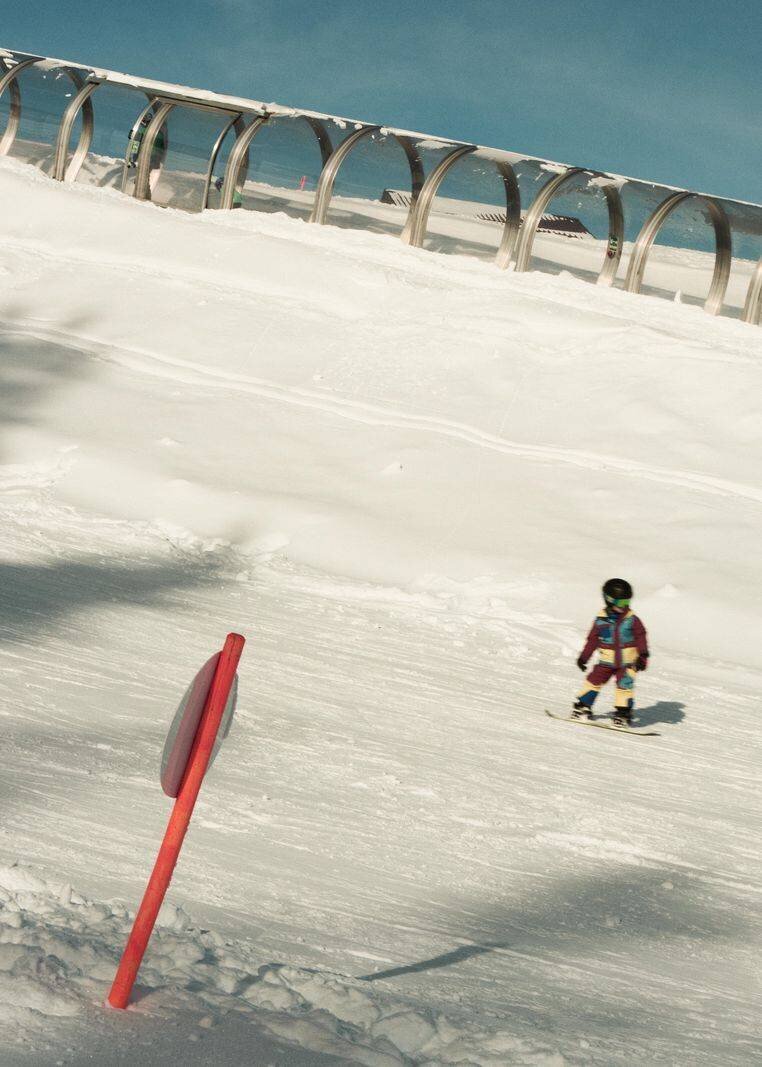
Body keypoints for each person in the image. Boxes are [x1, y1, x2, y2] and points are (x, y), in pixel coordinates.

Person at [573, 578, 649, 726]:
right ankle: (583, 707)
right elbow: (592, 640)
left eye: (627, 601)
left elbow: (641, 637)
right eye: (621, 603)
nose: (625, 605)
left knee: (624, 687)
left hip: (627, 664)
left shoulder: (632, 620)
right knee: (592, 682)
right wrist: (583, 658)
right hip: (605, 663)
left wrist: (643, 656)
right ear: (609, 600)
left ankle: (623, 714)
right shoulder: (601, 620)